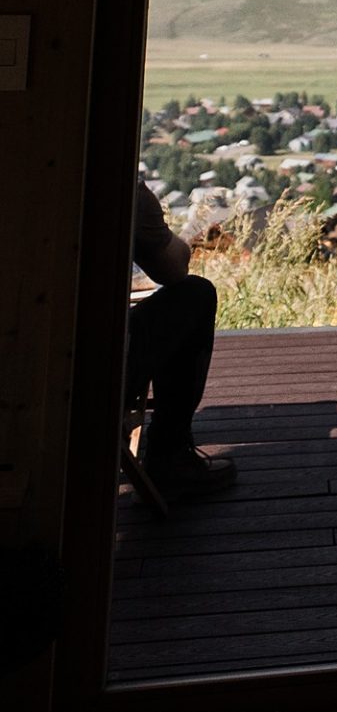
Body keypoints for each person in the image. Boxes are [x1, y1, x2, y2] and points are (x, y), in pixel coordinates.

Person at [128, 180, 236, 497]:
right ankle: (169, 458)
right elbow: (173, 268)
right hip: (92, 376)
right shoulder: (119, 189)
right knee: (195, 295)